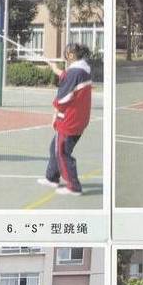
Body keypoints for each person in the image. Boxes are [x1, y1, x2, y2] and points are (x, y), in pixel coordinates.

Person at [38, 43, 93, 195]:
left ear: (70, 55)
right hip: (78, 118)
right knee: (54, 147)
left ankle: (73, 187)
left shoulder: (74, 72)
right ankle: (52, 178)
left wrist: (54, 114)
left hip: (70, 119)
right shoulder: (82, 69)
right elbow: (67, 78)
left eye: (66, 53)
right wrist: (54, 68)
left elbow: (63, 99)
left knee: (61, 152)